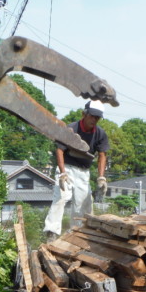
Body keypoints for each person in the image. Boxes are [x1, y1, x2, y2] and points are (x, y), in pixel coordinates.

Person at [43, 100, 109, 239]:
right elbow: (59, 151)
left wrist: (101, 177)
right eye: (92, 116)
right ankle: (52, 233)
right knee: (61, 197)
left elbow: (102, 155)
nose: (94, 120)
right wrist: (62, 173)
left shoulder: (100, 134)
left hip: (83, 171)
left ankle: (77, 234)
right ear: (84, 114)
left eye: (97, 117)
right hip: (67, 167)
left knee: (83, 203)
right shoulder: (70, 129)